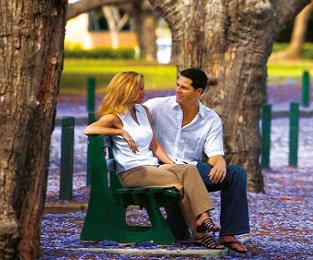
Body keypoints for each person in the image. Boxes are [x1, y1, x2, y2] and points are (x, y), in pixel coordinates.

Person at [84, 71, 225, 250]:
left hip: (151, 168)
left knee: (188, 169)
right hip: (132, 172)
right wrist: (120, 132)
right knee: (179, 185)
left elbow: (154, 144)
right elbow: (89, 129)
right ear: (127, 90)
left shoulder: (143, 111)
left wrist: (171, 164)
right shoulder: (115, 117)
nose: (144, 92)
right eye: (139, 89)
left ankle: (203, 217)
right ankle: (202, 232)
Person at [144, 68, 250, 254]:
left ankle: (228, 234)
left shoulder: (210, 119)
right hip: (159, 169)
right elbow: (129, 116)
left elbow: (215, 153)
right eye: (177, 85)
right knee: (176, 232)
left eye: (184, 88)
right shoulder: (156, 106)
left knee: (235, 174)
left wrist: (220, 162)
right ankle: (197, 222)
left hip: (190, 170)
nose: (178, 90)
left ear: (198, 92)